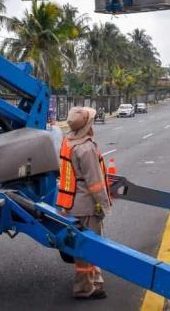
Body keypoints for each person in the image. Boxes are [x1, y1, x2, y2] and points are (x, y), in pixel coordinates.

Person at [56, 107, 111, 300]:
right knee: (86, 249)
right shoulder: (86, 148)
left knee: (85, 246)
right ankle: (83, 288)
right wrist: (104, 204)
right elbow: (95, 183)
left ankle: (94, 280)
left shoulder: (67, 142)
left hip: (69, 202)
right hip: (85, 205)